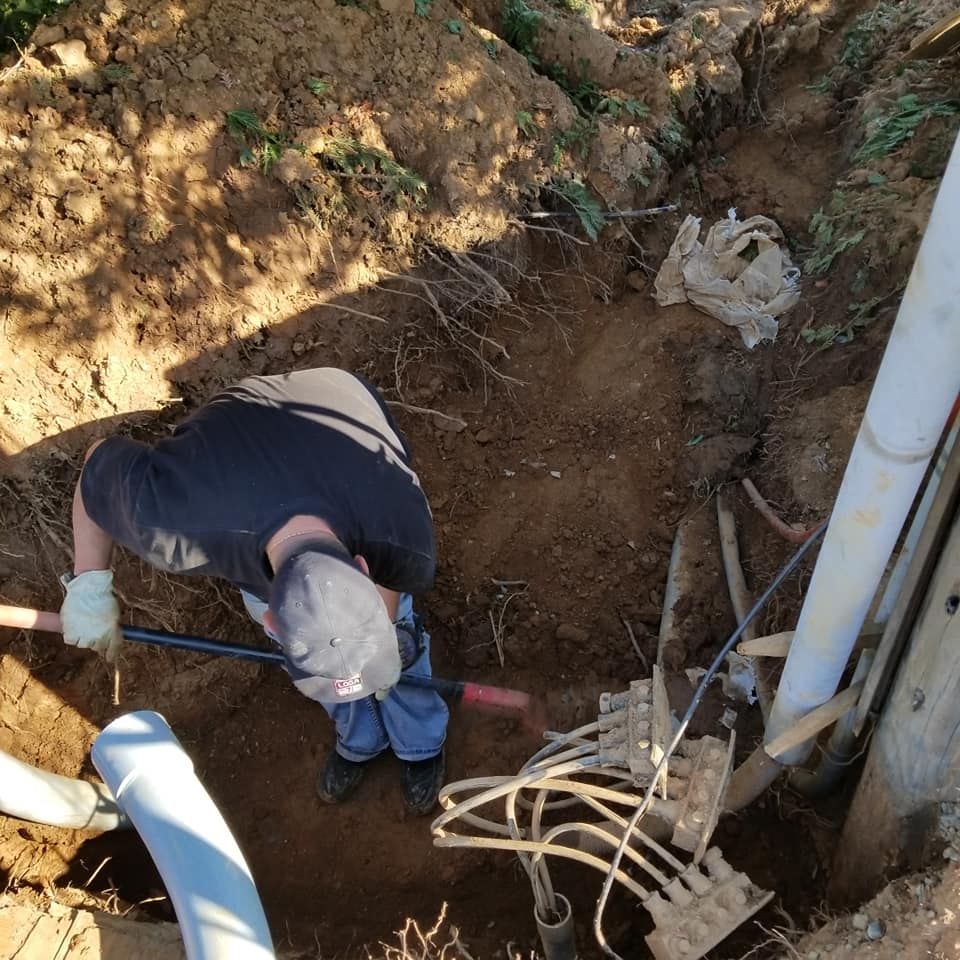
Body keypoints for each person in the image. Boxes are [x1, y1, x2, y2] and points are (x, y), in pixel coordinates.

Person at [60, 367, 448, 815]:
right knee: (337, 652)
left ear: (365, 565)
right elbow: (98, 463)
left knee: (398, 640)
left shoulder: (399, 528)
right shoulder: (174, 524)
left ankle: (421, 742)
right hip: (232, 425)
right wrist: (89, 582)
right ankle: (360, 738)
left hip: (337, 398)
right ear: (267, 617)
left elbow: (390, 592)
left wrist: (383, 647)